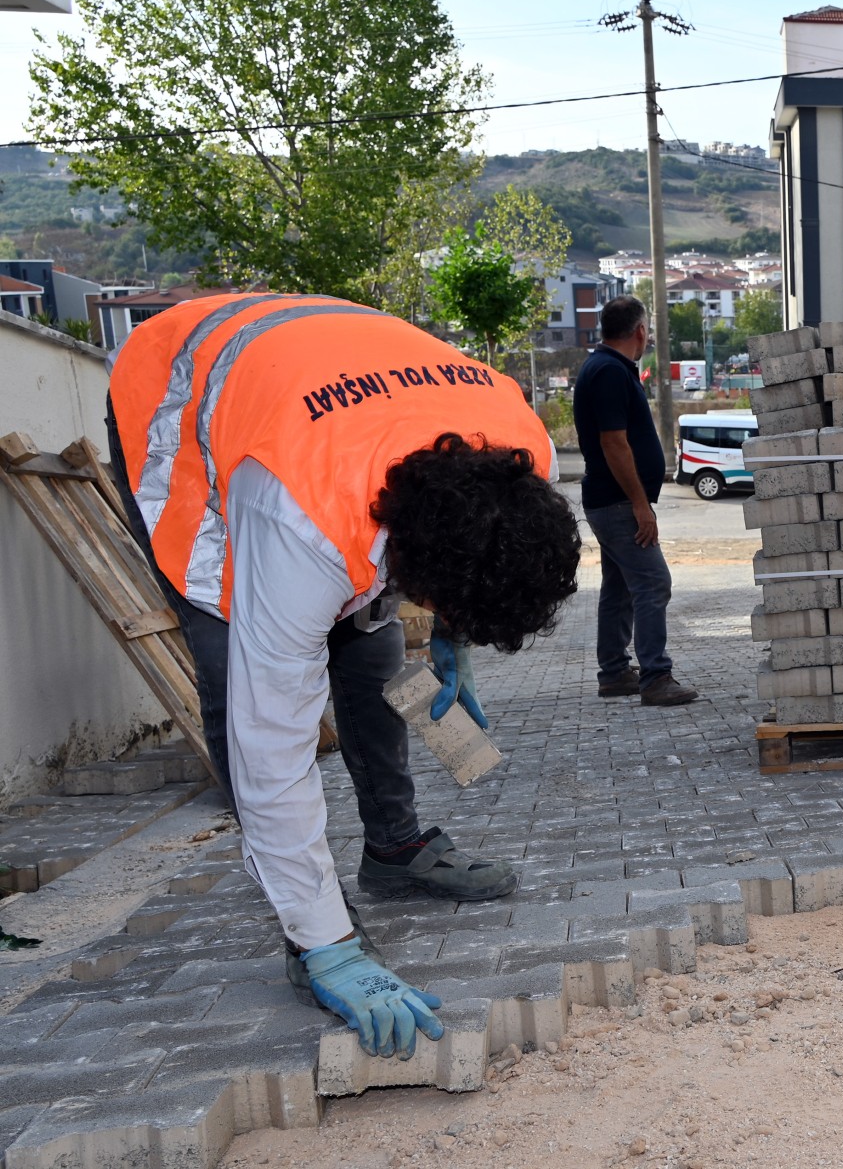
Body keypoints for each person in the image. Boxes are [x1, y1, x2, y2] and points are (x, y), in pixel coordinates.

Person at [106, 293, 580, 1059]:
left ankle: (392, 849)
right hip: (177, 400)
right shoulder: (300, 522)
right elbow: (274, 749)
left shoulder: (523, 451)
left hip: (327, 394)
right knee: (243, 673)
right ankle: (306, 934)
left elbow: (461, 546)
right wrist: (331, 942)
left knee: (372, 644)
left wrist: (450, 639)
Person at [572, 295, 698, 705]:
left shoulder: (606, 367)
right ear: (641, 331)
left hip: (609, 501)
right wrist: (641, 506)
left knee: (619, 587)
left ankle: (613, 673)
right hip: (618, 503)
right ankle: (655, 677)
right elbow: (614, 443)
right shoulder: (609, 371)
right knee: (652, 581)